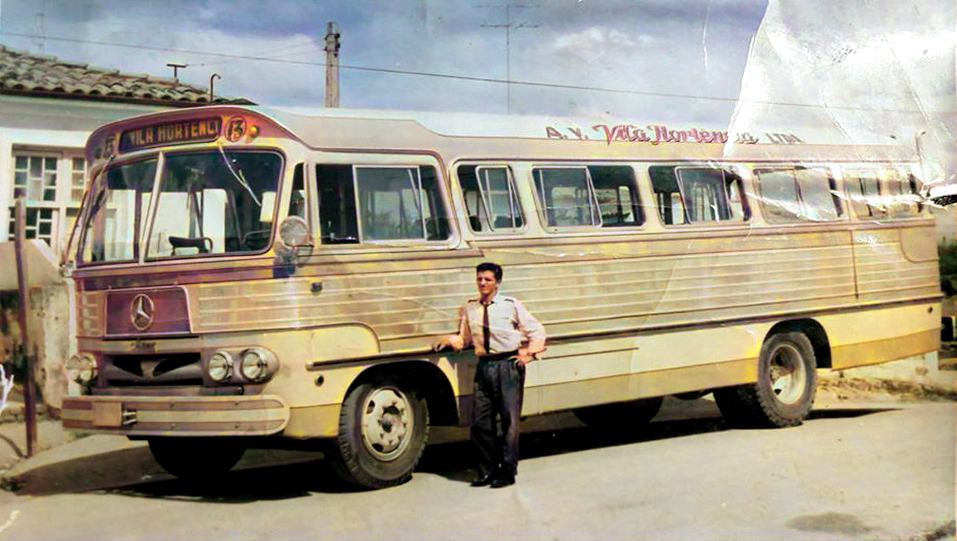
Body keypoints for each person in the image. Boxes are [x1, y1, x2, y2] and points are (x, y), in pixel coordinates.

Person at [434, 262, 546, 488]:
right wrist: (446, 341)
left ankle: (507, 472)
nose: (483, 283)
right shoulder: (470, 308)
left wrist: (530, 354)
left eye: (488, 279)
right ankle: (486, 471)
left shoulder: (510, 305)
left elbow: (536, 330)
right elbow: (464, 339)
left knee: (509, 422)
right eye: (479, 279)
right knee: (480, 422)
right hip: (484, 367)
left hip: (507, 366)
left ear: (497, 283)